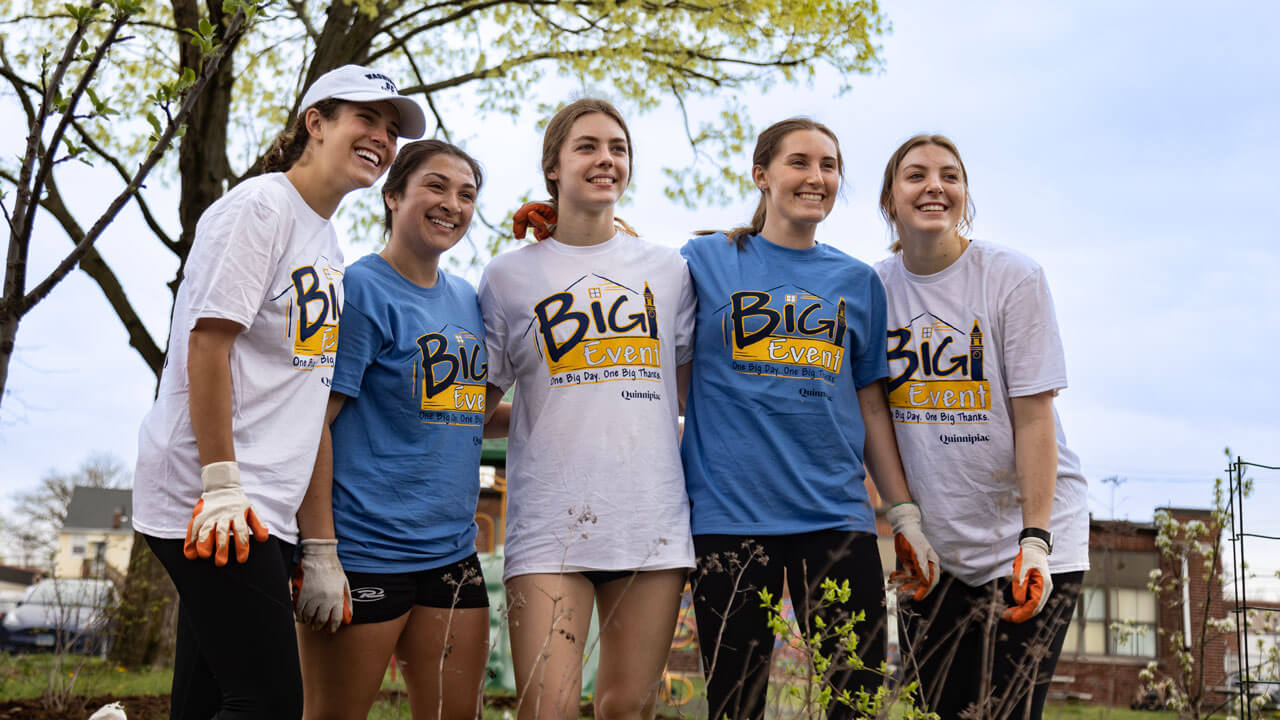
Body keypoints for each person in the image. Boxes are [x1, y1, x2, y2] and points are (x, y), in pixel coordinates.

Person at [131, 65, 424, 720]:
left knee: (210, 699)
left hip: (266, 504)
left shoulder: (326, 243)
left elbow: (308, 405)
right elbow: (207, 346)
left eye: (391, 128)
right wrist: (222, 487)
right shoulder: (258, 210)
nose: (381, 136)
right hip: (210, 501)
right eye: (365, 118)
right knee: (267, 700)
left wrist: (320, 546)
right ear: (315, 124)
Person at [679, 118, 937, 720]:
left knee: (857, 702)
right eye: (800, 162)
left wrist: (903, 514)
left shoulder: (856, 281)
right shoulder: (705, 260)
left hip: (835, 518)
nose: (816, 177)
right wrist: (559, 229)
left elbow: (870, 403)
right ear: (761, 174)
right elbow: (633, 284)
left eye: (828, 165)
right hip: (731, 518)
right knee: (734, 707)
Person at [478, 98, 695, 720]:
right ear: (553, 167)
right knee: (545, 710)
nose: (606, 160)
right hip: (550, 521)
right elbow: (477, 404)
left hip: (648, 516)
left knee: (628, 707)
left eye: (618, 149)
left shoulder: (669, 270)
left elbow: (689, 397)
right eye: (588, 147)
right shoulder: (507, 276)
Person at [874, 133, 1089, 720]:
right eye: (915, 175)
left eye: (950, 175)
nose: (934, 185)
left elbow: (1034, 415)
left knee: (1006, 712)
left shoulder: (1011, 278)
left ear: (964, 197)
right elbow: (874, 414)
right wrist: (905, 520)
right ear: (890, 199)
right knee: (937, 709)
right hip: (934, 548)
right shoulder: (875, 290)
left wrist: (1036, 540)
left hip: (1031, 539)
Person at [288, 139, 495, 720]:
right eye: (436, 185)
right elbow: (312, 424)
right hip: (364, 554)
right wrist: (321, 553)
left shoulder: (466, 299)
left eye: (466, 194)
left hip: (452, 553)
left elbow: (461, 407)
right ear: (393, 194)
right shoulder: (358, 291)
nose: (451, 203)